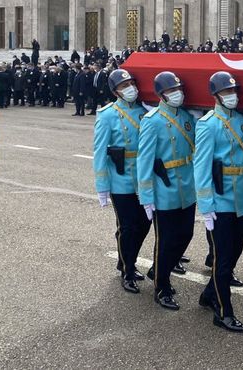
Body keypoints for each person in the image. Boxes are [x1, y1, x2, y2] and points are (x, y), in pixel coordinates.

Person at [194, 72, 243, 333]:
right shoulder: (208, 125)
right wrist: (206, 206)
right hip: (220, 201)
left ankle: (208, 295)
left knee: (234, 253)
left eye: (234, 91)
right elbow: (201, 168)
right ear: (216, 96)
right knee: (222, 258)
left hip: (241, 200)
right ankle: (222, 310)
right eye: (227, 92)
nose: (233, 96)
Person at [137, 71, 197, 310]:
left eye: (179, 89)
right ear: (161, 95)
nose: (178, 94)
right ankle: (161, 287)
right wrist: (146, 196)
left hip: (187, 186)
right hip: (165, 189)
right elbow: (144, 160)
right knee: (166, 240)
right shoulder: (152, 121)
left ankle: (158, 270)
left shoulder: (186, 117)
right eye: (172, 90)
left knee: (186, 234)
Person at [93, 69, 150, 294]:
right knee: (127, 226)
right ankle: (127, 270)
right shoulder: (108, 114)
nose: (130, 89)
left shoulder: (145, 111)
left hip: (144, 178)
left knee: (144, 224)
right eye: (124, 86)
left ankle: (127, 259)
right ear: (116, 91)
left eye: (132, 84)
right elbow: (100, 152)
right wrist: (102, 185)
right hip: (121, 178)